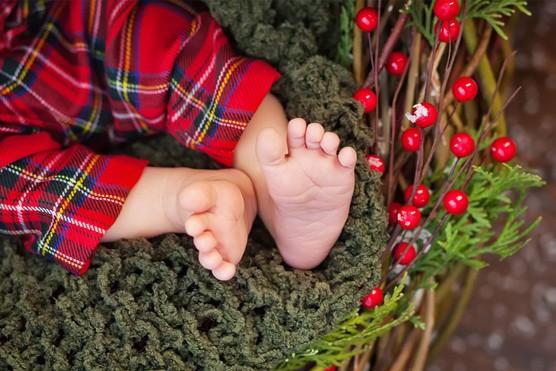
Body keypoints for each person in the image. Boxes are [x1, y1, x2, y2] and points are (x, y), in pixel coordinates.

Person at [0, 0, 356, 280]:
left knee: (157, 33)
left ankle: (275, 189)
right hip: (10, 117)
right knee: (22, 190)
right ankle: (186, 197)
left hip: (54, 24)